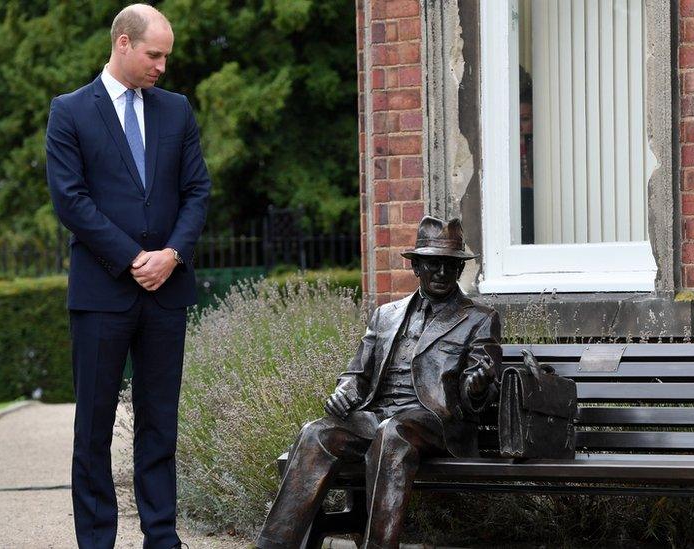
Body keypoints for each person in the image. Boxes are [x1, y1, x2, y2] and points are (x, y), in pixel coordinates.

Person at [45, 4, 210, 548]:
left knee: (159, 425)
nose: (162, 65)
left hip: (167, 293)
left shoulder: (176, 110)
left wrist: (172, 255)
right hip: (100, 294)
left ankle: (162, 538)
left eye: (166, 56)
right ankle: (97, 542)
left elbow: (196, 192)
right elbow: (71, 200)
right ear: (122, 43)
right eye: (154, 54)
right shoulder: (69, 112)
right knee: (92, 428)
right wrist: (132, 257)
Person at [256, 216, 502, 549]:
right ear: (416, 267)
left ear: (459, 270)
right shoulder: (386, 314)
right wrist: (343, 393)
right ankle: (274, 545)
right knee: (315, 432)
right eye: (433, 264)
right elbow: (357, 374)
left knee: (393, 432)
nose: (442, 272)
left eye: (449, 265)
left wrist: (477, 385)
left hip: (437, 422)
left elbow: (482, 387)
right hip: (379, 414)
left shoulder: (479, 318)